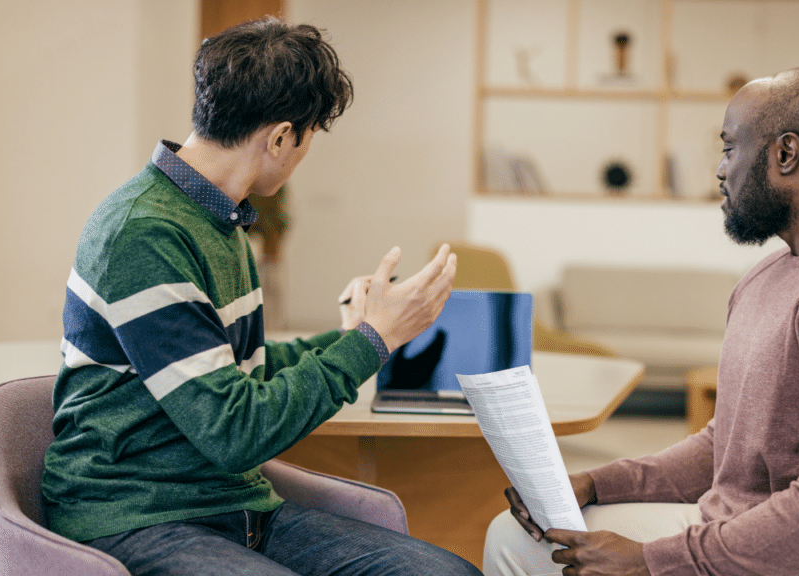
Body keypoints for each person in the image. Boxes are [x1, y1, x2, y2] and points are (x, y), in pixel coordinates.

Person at [483, 66, 799, 576]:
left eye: (730, 148)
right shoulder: (766, 277)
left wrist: (651, 562)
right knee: (515, 536)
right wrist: (596, 483)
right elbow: (725, 449)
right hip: (742, 528)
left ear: (785, 153)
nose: (719, 169)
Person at [42, 18, 482, 576]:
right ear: (280, 137)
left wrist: (357, 333)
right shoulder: (143, 233)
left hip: (229, 504)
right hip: (134, 513)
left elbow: (240, 373)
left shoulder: (220, 222)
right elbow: (235, 430)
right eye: (309, 136)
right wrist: (375, 340)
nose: (305, 153)